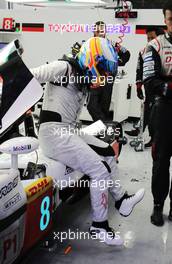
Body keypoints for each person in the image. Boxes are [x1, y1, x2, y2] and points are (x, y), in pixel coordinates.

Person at [31, 37, 144, 246]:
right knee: (99, 170)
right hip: (53, 134)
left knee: (108, 153)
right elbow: (31, 76)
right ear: (93, 59)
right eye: (103, 69)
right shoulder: (63, 67)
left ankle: (121, 200)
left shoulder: (82, 78)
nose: (104, 75)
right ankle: (99, 226)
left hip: (70, 131)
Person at [143, 1, 172, 227]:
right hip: (164, 110)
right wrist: (169, 86)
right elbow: (150, 82)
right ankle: (157, 205)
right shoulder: (154, 45)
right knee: (161, 160)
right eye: (171, 19)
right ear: (165, 20)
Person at [125, 27, 164, 148]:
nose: (150, 40)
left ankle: (157, 139)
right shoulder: (143, 51)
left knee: (158, 115)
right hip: (149, 88)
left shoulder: (166, 50)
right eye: (148, 38)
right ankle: (140, 132)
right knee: (147, 112)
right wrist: (138, 86)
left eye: (153, 38)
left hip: (163, 89)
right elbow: (139, 70)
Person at [87, 21, 130, 122]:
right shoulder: (89, 44)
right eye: (97, 31)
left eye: (101, 31)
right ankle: (103, 126)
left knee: (104, 104)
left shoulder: (112, 44)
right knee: (91, 105)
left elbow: (126, 54)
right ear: (94, 31)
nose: (99, 33)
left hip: (108, 77)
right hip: (94, 77)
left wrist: (117, 62)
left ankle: (101, 130)